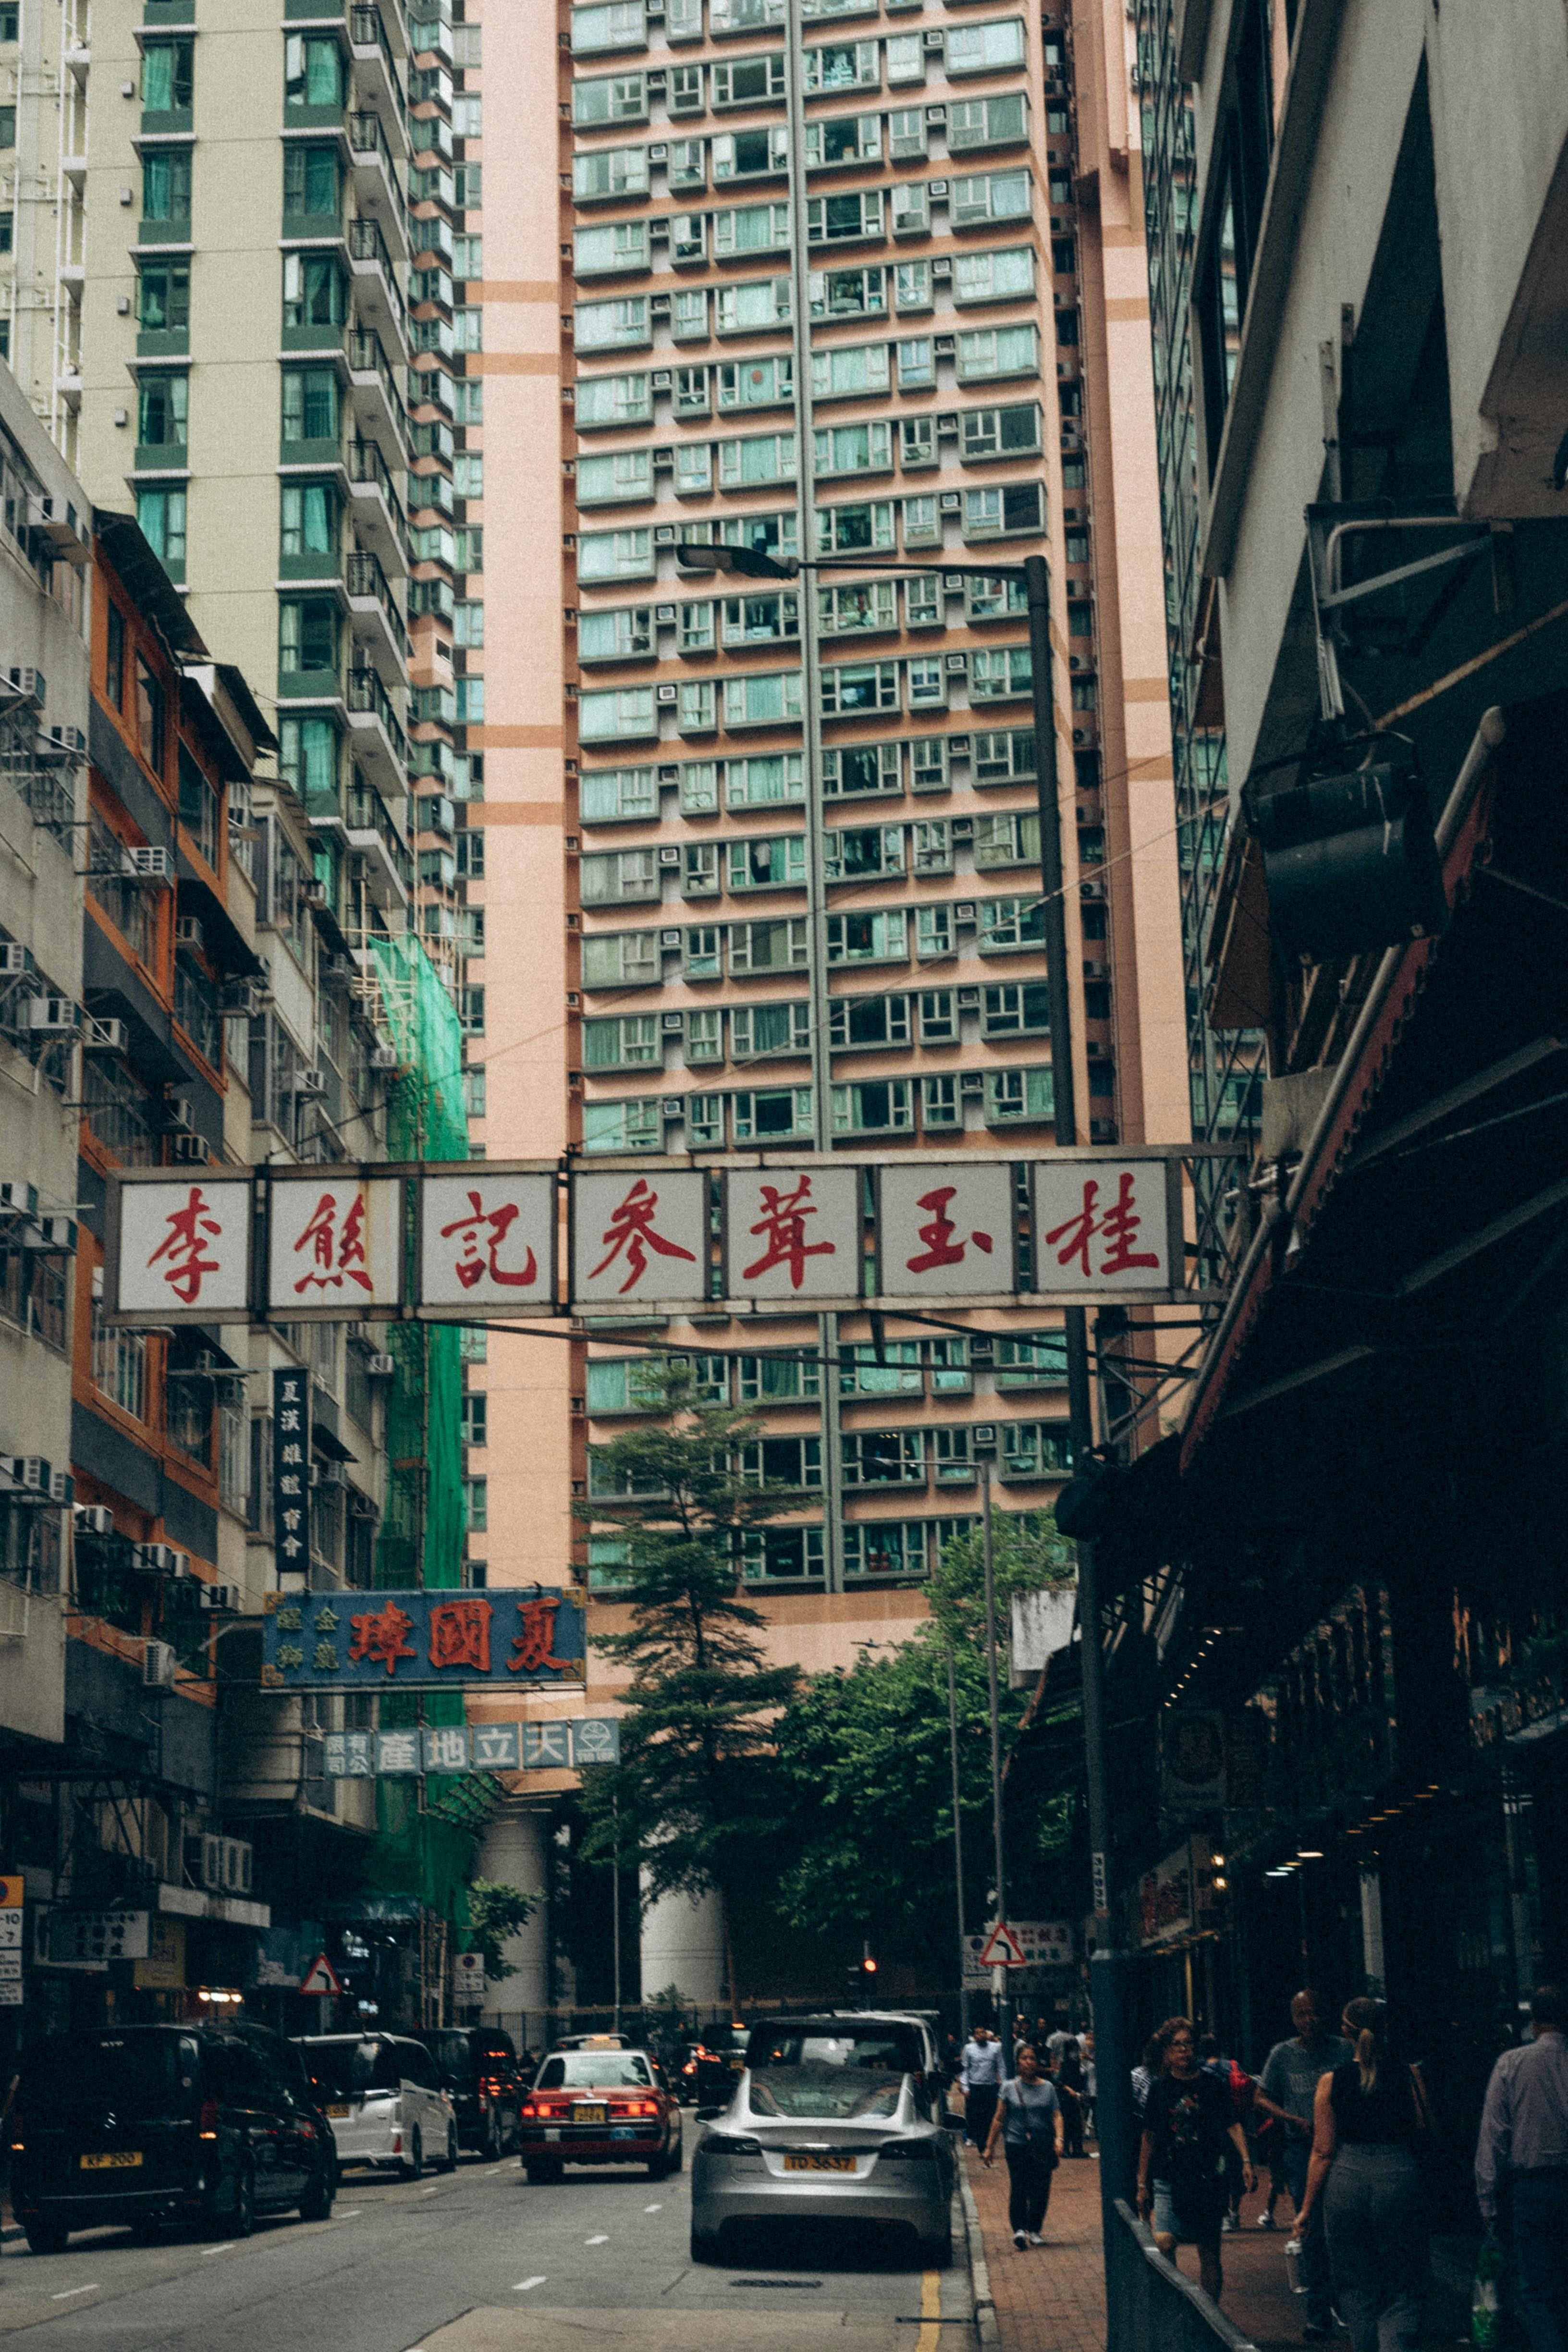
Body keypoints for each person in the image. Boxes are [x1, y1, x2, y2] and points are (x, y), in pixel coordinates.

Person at [1294, 1998, 1431, 2352]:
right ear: (1384, 2030)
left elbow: (1323, 2151)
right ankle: (1395, 2342)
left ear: (1345, 2033)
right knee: (1402, 2280)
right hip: (1398, 2175)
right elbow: (1423, 2128)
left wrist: (1307, 2209)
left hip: (1348, 2179)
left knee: (1355, 2282)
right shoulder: (1409, 2075)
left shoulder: (1330, 2082)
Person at [1255, 1989, 1354, 2339]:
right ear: (1293, 2018)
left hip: (1342, 2150)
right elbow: (1261, 2096)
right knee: (1310, 2228)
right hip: (1301, 2152)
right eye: (1301, 2015)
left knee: (1342, 2227)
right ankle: (1318, 2312)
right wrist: (1290, 2118)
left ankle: (1345, 2304)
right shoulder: (1282, 2055)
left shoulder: (1343, 2050)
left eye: (1313, 2013)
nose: (1308, 2021)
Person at [1475, 1983, 1568, 2352]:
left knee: (1538, 2290)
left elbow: (1493, 2140)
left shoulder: (1511, 2064)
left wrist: (1488, 2204)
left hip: (1533, 2189)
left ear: (1533, 2020)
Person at [1138, 2018, 1256, 2304]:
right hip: (1168, 2177)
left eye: (1188, 2043)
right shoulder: (1160, 2089)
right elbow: (1149, 2136)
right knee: (1164, 2242)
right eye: (1176, 2044)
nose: (1183, 2050)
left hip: (1207, 2179)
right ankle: (1175, 2308)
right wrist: (1142, 2183)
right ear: (1166, 2051)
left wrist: (1246, 2161)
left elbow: (1232, 2124)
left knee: (1209, 2252)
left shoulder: (1213, 2086)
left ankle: (1211, 2317)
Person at [982, 2041, 1065, 2249]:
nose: (1029, 2062)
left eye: (1032, 2059)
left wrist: (1059, 2139)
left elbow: (1056, 2115)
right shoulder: (1009, 2087)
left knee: (1041, 2188)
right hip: (1016, 2144)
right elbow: (999, 2119)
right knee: (1019, 2186)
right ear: (1018, 2063)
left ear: (1037, 2063)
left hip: (1042, 2145)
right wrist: (989, 2146)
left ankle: (1035, 2229)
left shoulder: (1047, 2088)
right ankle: (1019, 2229)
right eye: (1024, 2058)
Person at [1200, 2033, 1249, 2231]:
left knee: (1218, 2171)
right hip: (1235, 2122)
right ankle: (1235, 2213)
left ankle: (1225, 2215)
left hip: (1213, 2128)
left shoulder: (1201, 2070)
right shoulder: (1233, 2066)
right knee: (1235, 2169)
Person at [960, 2024, 1005, 2151]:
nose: (980, 2035)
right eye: (977, 2033)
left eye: (982, 2032)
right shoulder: (969, 2049)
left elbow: (1001, 2066)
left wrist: (1003, 2083)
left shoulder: (996, 2048)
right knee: (977, 2116)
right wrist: (966, 2087)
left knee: (991, 2115)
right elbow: (965, 2069)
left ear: (986, 2034)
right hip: (975, 2087)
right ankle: (981, 2145)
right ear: (974, 2036)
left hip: (991, 2087)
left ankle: (988, 2142)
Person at [1057, 2039, 1087, 2158]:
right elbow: (1060, 2082)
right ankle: (1066, 2149)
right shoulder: (1066, 2064)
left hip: (1075, 2097)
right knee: (1068, 2123)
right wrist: (1070, 2090)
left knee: (1077, 2124)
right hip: (1067, 2098)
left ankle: (1077, 2149)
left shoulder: (1077, 2063)